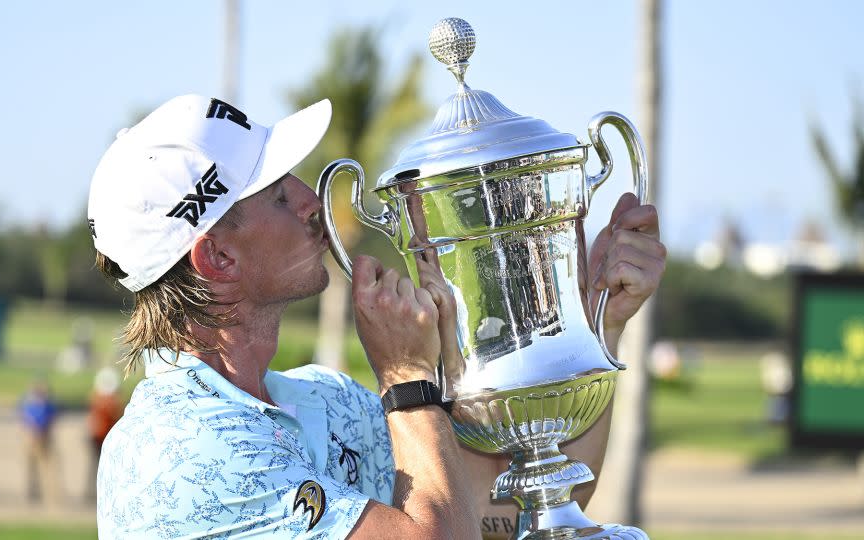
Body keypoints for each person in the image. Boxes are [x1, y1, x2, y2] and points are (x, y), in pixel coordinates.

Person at [88, 94, 665, 539]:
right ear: (217, 256)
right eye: (278, 197)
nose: (312, 200)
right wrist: (406, 380)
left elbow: (506, 507)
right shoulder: (182, 449)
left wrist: (595, 319)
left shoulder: (325, 400)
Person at [86, 367, 123, 502]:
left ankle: (95, 493)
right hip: (100, 437)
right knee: (97, 466)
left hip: (103, 437)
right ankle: (93, 494)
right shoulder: (102, 402)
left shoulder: (100, 400)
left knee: (99, 466)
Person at [19, 379, 59, 505]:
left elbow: (50, 417)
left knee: (46, 466)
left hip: (44, 438)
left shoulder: (47, 406)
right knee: (31, 466)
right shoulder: (30, 404)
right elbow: (25, 417)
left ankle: (50, 493)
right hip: (31, 438)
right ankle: (32, 492)